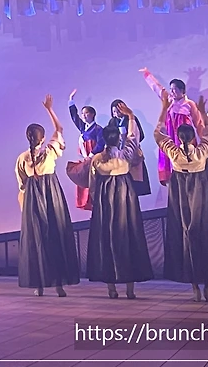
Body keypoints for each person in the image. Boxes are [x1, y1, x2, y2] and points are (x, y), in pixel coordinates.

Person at [154, 91, 208, 302]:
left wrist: (163, 108)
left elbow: (158, 133)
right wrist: (202, 113)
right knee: (205, 233)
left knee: (186, 234)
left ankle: (195, 287)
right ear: (193, 137)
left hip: (181, 193)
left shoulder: (174, 152)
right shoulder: (201, 151)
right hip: (200, 192)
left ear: (178, 137)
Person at [85, 104, 153, 299]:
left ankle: (111, 289)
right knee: (129, 235)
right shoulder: (125, 154)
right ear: (118, 139)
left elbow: (92, 184)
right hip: (125, 195)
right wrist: (130, 117)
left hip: (105, 197)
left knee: (107, 237)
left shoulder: (98, 159)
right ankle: (130, 290)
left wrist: (96, 200)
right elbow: (133, 138)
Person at [16, 94, 81, 297]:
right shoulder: (50, 151)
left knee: (37, 239)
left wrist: (24, 207)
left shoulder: (22, 158)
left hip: (33, 200)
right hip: (51, 196)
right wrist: (49, 109)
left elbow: (22, 186)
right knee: (55, 236)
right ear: (42, 138)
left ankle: (40, 286)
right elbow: (59, 129)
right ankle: (58, 285)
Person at [140, 68, 198, 185]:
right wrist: (147, 74)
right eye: (170, 89)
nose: (171, 92)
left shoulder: (189, 104)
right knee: (169, 158)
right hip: (170, 135)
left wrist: (204, 137)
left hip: (184, 137)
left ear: (182, 91)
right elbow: (157, 88)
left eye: (174, 89)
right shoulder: (168, 100)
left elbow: (198, 122)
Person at [67, 88, 104, 211]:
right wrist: (71, 100)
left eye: (86, 113)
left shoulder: (98, 129)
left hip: (95, 160)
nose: (83, 115)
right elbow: (74, 117)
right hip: (86, 160)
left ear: (92, 114)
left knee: (96, 183)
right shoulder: (83, 128)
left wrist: (91, 155)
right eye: (82, 113)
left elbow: (100, 144)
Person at [105, 99, 151, 196]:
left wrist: (127, 139)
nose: (117, 114)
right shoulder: (112, 121)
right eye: (114, 112)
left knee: (134, 184)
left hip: (131, 152)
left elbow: (140, 135)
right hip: (117, 154)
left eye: (119, 111)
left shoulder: (132, 119)